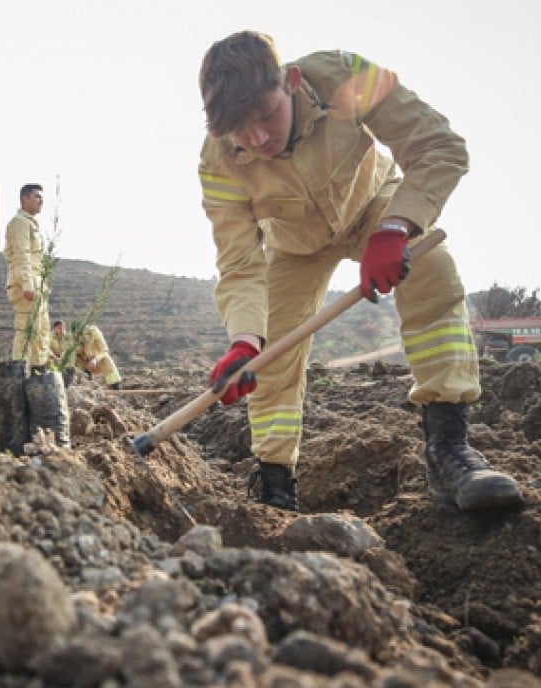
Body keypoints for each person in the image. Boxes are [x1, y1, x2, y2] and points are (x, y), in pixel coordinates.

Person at [197, 31, 523, 513]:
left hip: (375, 205)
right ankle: (274, 483)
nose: (258, 138)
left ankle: (448, 451)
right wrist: (245, 340)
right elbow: (240, 262)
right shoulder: (218, 162)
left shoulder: (345, 75)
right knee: (270, 349)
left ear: (290, 82)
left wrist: (397, 226)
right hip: (294, 246)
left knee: (430, 268)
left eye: (266, 116)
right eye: (241, 130)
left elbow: (439, 146)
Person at [4, 183, 50, 369]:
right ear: (24, 199)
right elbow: (21, 255)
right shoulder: (19, 223)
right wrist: (27, 285)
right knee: (26, 329)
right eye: (37, 196)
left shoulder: (30, 224)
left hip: (37, 283)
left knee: (40, 331)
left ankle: (37, 370)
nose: (41, 201)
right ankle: (19, 371)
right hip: (26, 285)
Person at [50, 320, 123, 389]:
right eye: (77, 336)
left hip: (97, 362)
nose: (79, 338)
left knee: (106, 360)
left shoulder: (94, 333)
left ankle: (115, 384)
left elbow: (104, 350)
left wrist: (95, 359)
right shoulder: (70, 338)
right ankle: (73, 381)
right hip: (82, 365)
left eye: (81, 335)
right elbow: (67, 354)